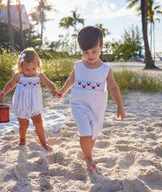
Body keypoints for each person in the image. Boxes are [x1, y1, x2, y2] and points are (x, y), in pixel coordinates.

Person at [57, 26, 125, 170]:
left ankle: (87, 152)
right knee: (85, 131)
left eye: (94, 51)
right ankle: (88, 158)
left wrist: (119, 106)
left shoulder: (106, 69)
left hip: (97, 108)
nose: (90, 55)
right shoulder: (78, 66)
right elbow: (71, 80)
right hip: (79, 105)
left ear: (101, 47)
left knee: (93, 133)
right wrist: (62, 91)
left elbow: (113, 87)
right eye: (85, 52)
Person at [0, 48, 57, 151]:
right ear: (21, 66)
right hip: (22, 104)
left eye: (33, 69)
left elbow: (48, 83)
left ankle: (43, 143)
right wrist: (4, 92)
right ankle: (22, 138)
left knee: (38, 122)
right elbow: (10, 84)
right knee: (23, 124)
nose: (30, 72)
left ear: (38, 65)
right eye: (27, 69)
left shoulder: (39, 76)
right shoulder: (19, 76)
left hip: (35, 104)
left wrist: (54, 89)